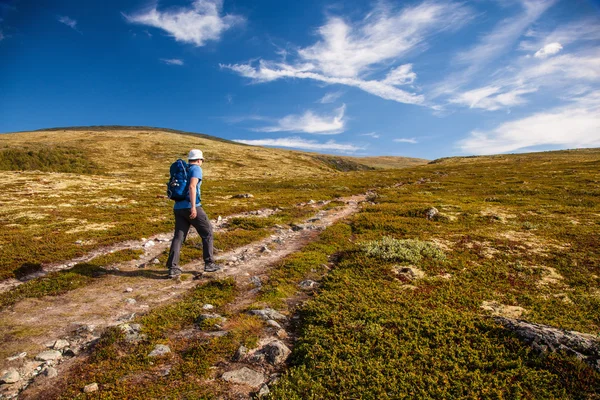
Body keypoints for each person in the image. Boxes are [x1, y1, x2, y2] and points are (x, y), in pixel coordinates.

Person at [166, 149, 220, 279]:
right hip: (192, 206)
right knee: (207, 232)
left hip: (178, 208)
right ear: (199, 160)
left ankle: (173, 268)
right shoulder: (196, 169)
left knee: (179, 237)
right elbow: (192, 186)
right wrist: (193, 207)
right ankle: (209, 263)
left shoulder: (183, 169)